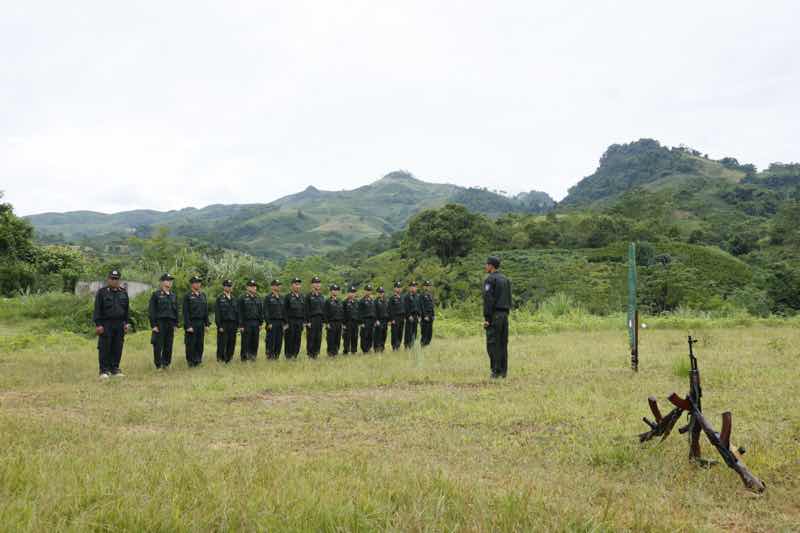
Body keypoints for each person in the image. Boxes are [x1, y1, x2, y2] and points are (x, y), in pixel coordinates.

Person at [93, 269, 130, 378]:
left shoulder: (123, 292)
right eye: (112, 279)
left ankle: (115, 368)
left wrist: (126, 323)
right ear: (108, 279)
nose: (114, 281)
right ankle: (104, 370)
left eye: (116, 279)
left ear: (119, 280)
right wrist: (98, 324)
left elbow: (127, 309)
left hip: (119, 324)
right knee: (105, 347)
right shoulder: (102, 292)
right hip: (106, 324)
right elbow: (97, 309)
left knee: (117, 347)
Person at [483, 256, 512, 378]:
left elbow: (488, 300)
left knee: (493, 343)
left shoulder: (490, 280)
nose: (485, 266)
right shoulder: (506, 279)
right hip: (504, 315)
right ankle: (503, 371)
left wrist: (487, 318)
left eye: (487, 264)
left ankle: (495, 371)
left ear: (491, 266)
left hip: (494, 315)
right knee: (503, 343)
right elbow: (509, 298)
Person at [148, 273, 178, 370]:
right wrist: (153, 325)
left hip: (170, 322)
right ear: (162, 282)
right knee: (158, 344)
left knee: (169, 344)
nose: (169, 282)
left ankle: (166, 363)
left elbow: (176, 310)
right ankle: (158, 364)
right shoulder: (156, 295)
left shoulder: (173, 295)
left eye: (170, 281)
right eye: (167, 280)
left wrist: (176, 324)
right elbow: (152, 310)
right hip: (160, 323)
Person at [183, 275, 210, 367]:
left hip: (201, 322)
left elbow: (205, 311)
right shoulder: (187, 296)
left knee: (200, 342)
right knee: (191, 343)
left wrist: (207, 324)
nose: (198, 284)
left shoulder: (203, 295)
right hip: (192, 322)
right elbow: (185, 312)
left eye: (199, 282)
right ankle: (191, 361)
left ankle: (198, 360)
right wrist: (188, 325)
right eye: (196, 282)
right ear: (192, 284)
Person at [238, 279, 263, 361]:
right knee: (246, 341)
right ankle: (244, 357)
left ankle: (253, 356)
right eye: (251, 286)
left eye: (254, 286)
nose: (253, 288)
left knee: (255, 341)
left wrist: (260, 323)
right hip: (246, 323)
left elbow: (260, 311)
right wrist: (241, 325)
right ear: (247, 287)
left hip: (256, 322)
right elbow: (240, 312)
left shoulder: (258, 298)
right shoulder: (242, 298)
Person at [215, 279, 238, 363]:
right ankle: (220, 359)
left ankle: (229, 358)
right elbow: (217, 313)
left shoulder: (234, 298)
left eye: (230, 286)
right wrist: (219, 325)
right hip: (223, 323)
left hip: (233, 324)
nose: (229, 288)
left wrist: (237, 325)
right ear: (224, 287)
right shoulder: (220, 298)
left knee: (231, 342)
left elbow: (237, 312)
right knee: (222, 342)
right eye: (228, 286)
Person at [264, 279, 286, 359]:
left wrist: (285, 323)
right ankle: (269, 355)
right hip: (272, 322)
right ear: (272, 287)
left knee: (279, 340)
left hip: (280, 322)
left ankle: (276, 356)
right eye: (277, 285)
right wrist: (268, 322)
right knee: (270, 340)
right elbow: (266, 311)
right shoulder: (268, 297)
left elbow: (284, 311)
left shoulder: (282, 297)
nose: (279, 287)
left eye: (279, 285)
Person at [284, 277, 305, 358]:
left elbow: (304, 310)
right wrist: (285, 323)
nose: (298, 286)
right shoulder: (288, 297)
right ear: (292, 285)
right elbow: (284, 311)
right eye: (296, 284)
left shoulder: (302, 297)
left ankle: (295, 355)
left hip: (299, 321)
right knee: (290, 338)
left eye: (299, 284)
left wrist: (303, 321)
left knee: (298, 338)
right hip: (290, 321)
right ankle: (288, 355)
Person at [305, 276, 325, 358]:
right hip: (312, 319)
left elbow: (323, 309)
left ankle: (316, 353)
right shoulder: (308, 296)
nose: (317, 285)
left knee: (318, 337)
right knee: (311, 337)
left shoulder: (321, 296)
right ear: (312, 285)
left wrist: (323, 321)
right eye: (316, 283)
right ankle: (310, 354)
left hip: (319, 319)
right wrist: (307, 321)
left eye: (319, 283)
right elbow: (306, 309)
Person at [324, 283, 344, 356]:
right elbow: (325, 313)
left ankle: (336, 351)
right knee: (330, 338)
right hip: (331, 322)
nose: (335, 291)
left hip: (339, 322)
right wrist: (327, 323)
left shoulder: (340, 301)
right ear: (331, 291)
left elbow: (342, 312)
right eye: (334, 290)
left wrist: (342, 322)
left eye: (337, 290)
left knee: (337, 338)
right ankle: (330, 352)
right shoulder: (327, 301)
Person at [358, 284, 377, 353]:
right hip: (365, 320)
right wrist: (361, 322)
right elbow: (359, 312)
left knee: (370, 335)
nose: (368, 292)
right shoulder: (361, 301)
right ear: (365, 291)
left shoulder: (372, 300)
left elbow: (374, 310)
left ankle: (369, 348)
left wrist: (375, 320)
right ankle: (364, 349)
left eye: (370, 290)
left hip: (371, 320)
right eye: (367, 290)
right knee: (364, 335)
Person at [403, 281, 421, 349]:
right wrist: (408, 316)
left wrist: (419, 316)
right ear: (409, 288)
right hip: (409, 316)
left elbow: (418, 307)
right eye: (412, 287)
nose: (413, 288)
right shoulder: (407, 297)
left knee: (414, 332)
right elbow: (405, 307)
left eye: (415, 287)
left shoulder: (417, 296)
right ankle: (407, 345)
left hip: (416, 316)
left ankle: (412, 345)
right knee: (408, 332)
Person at [388, 281, 405, 351]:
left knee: (400, 333)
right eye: (397, 287)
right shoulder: (392, 298)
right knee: (394, 333)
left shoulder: (402, 297)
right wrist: (391, 319)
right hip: (395, 318)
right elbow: (390, 309)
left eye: (400, 287)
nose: (399, 289)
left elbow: (404, 307)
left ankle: (398, 345)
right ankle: (394, 347)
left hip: (402, 317)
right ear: (394, 288)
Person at [342, 285, 359, 354]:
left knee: (355, 336)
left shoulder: (357, 302)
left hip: (355, 322)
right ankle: (346, 350)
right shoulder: (344, 302)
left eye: (354, 292)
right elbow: (342, 313)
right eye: (351, 292)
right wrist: (343, 324)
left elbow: (359, 312)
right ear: (348, 293)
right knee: (347, 337)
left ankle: (354, 350)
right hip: (347, 322)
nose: (352, 294)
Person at [420, 280, 435, 347]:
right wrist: (424, 315)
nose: (427, 287)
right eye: (426, 286)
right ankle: (423, 345)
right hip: (425, 317)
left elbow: (432, 306)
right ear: (423, 287)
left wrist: (433, 315)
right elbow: (422, 306)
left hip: (430, 316)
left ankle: (427, 345)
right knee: (424, 333)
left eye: (428, 286)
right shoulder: (421, 296)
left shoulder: (430, 295)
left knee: (430, 333)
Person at [373, 286, 389, 352]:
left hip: (385, 320)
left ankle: (382, 348)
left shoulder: (386, 300)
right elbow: (374, 312)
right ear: (377, 293)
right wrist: (376, 320)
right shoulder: (375, 301)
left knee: (384, 334)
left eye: (382, 292)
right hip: (378, 320)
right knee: (377, 335)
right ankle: (376, 348)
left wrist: (389, 320)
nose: (381, 293)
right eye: (379, 292)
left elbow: (388, 310)